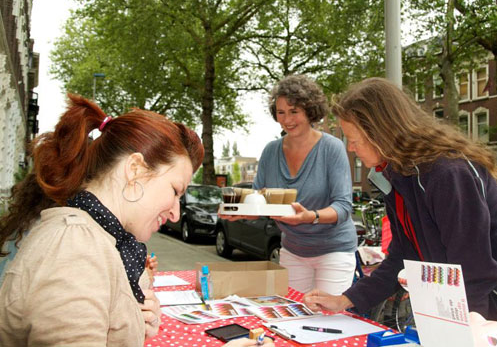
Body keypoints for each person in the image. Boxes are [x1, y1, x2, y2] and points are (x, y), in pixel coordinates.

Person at [303, 77, 497, 342]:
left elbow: (474, 268)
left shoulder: (448, 174)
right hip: (472, 306)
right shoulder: (398, 177)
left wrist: (466, 334)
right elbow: (401, 256)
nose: (351, 149)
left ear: (381, 132)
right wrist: (346, 299)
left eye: (355, 140)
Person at [0, 94, 204, 345]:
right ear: (135, 169)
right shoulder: (75, 249)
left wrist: (134, 322)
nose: (175, 212)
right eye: (175, 190)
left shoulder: (100, 240)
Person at [254, 74, 357, 294]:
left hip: (334, 250)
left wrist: (311, 216)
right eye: (281, 112)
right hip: (293, 250)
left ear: (310, 112)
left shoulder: (332, 148)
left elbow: (343, 207)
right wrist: (239, 211)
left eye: (294, 112)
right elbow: (259, 198)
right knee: (292, 314)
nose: (287, 120)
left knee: (328, 317)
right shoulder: (270, 151)